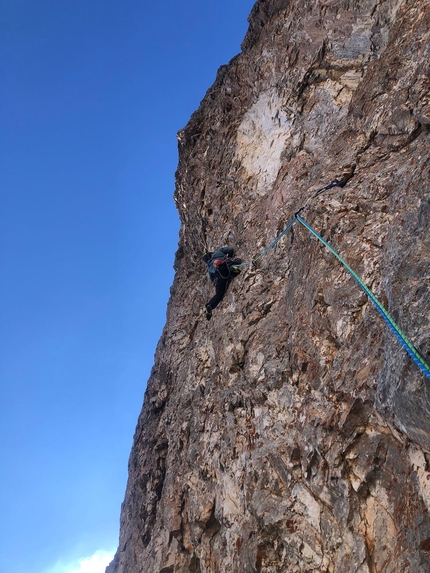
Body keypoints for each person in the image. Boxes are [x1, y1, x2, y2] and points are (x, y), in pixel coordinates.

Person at [202, 247, 242, 320]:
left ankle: (210, 305)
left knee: (219, 294)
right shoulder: (218, 252)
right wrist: (229, 255)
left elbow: (212, 279)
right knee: (235, 262)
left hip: (219, 277)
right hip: (225, 265)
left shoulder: (209, 267)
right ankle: (232, 270)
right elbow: (231, 250)